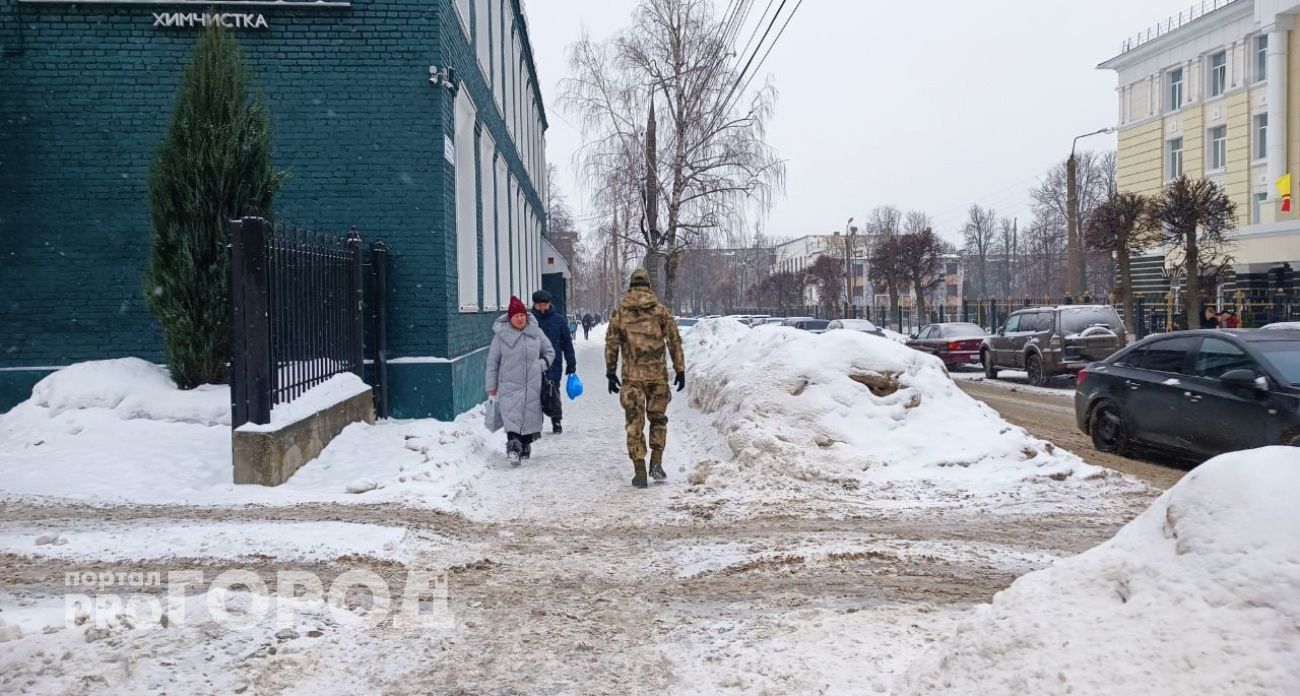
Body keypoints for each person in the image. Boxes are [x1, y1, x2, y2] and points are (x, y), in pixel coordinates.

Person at [605, 268, 685, 489]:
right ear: (649, 286)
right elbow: (674, 341)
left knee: (634, 423)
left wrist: (610, 372)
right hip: (657, 377)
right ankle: (656, 463)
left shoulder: (620, 313)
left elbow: (612, 344)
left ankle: (639, 471)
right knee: (658, 419)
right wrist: (680, 369)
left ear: (631, 287)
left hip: (632, 378)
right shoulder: (660, 311)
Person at [486, 296, 554, 466]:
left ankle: (525, 444)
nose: (519, 318)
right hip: (509, 384)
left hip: (532, 384)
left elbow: (549, 352)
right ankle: (513, 449)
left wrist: (540, 365)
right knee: (512, 418)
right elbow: (493, 362)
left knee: (528, 416)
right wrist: (491, 386)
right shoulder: (501, 337)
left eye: (522, 315)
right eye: (516, 316)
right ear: (510, 318)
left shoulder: (536, 332)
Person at [530, 289, 576, 434]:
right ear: (534, 305)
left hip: (553, 363)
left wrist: (571, 362)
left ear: (549, 304)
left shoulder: (558, 320)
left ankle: (556, 421)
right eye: (539, 305)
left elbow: (567, 343)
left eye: (545, 304)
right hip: (533, 363)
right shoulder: (528, 321)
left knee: (553, 391)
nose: (542, 308)